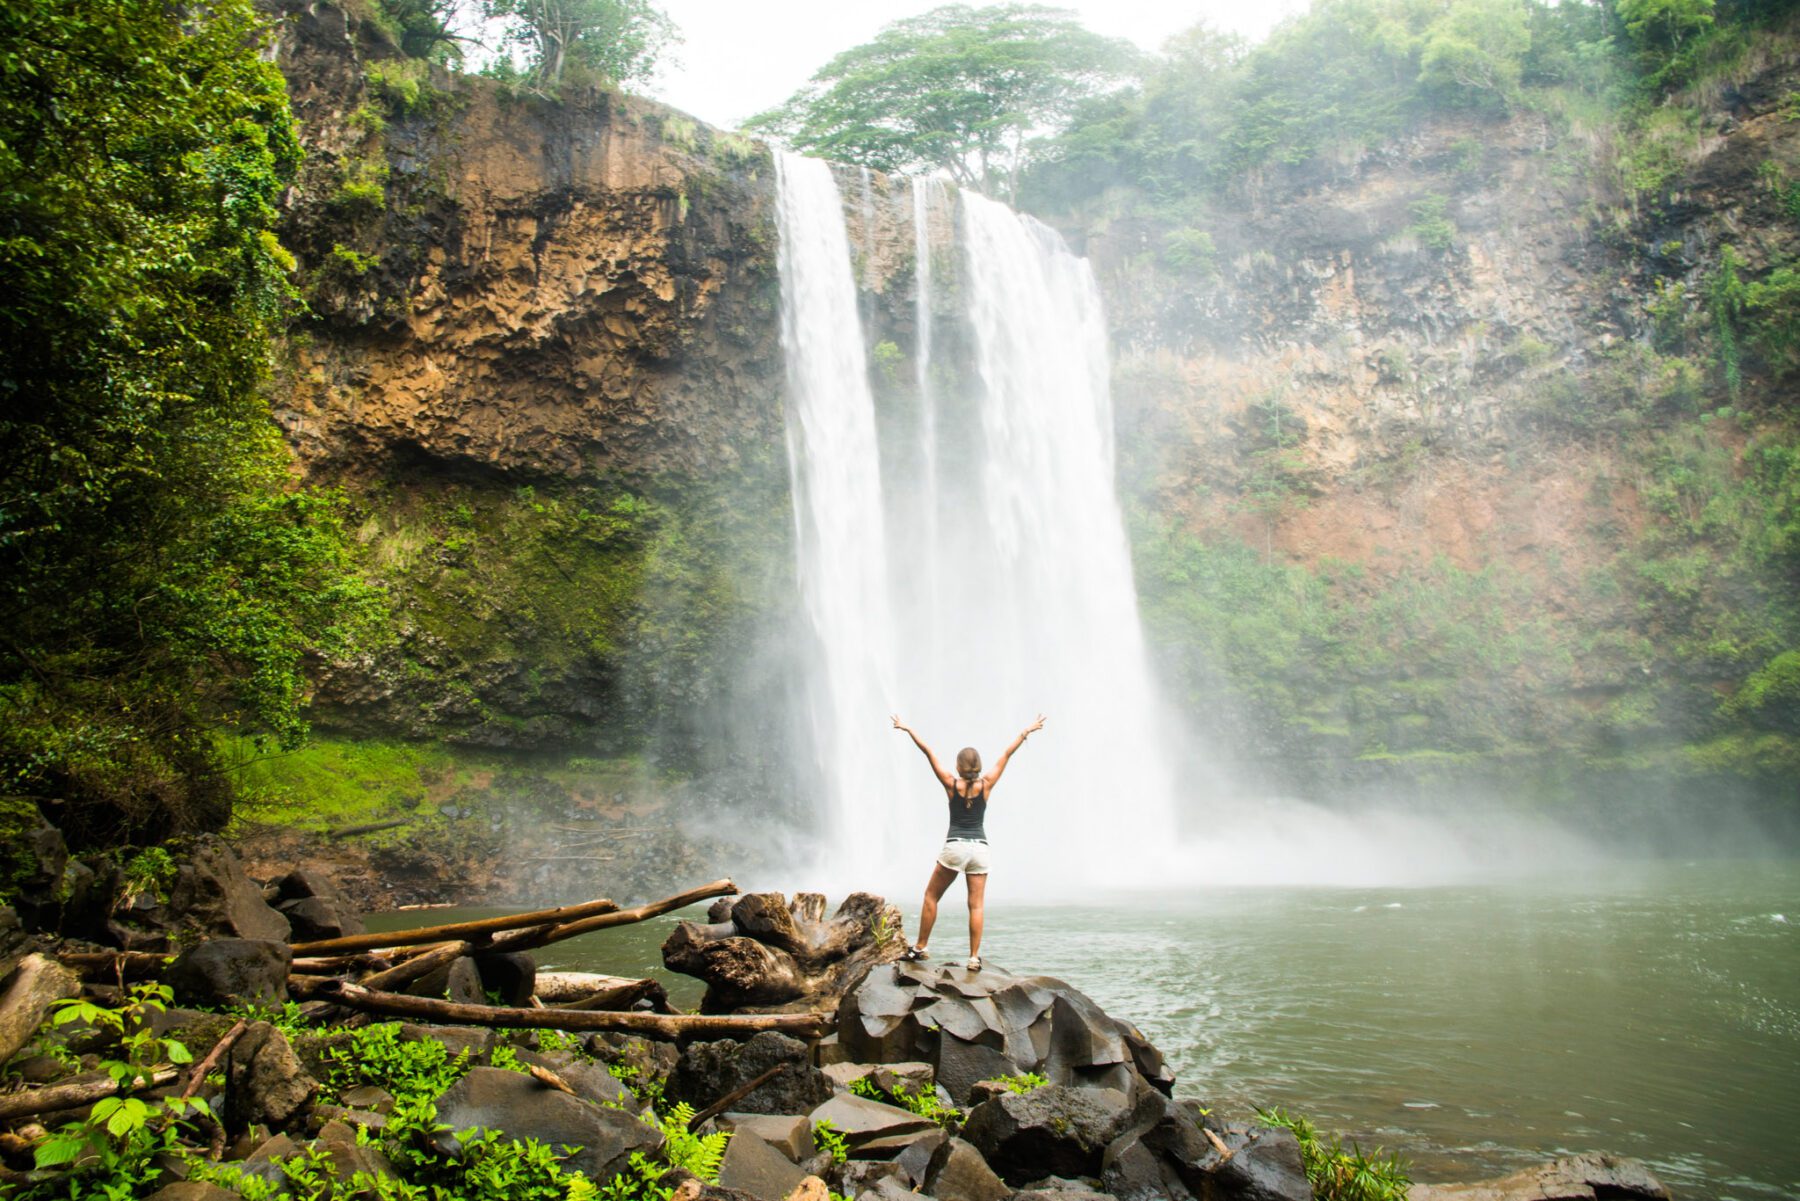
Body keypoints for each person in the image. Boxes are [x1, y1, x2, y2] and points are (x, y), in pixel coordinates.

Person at [889, 713, 1046, 971]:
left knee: (931, 896)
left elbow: (928, 752)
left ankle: (920, 947)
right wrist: (1026, 731)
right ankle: (974, 958)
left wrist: (908, 729)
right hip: (981, 849)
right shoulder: (987, 785)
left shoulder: (952, 785)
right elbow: (1007, 754)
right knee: (976, 905)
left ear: (959, 767)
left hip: (955, 847)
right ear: (979, 766)